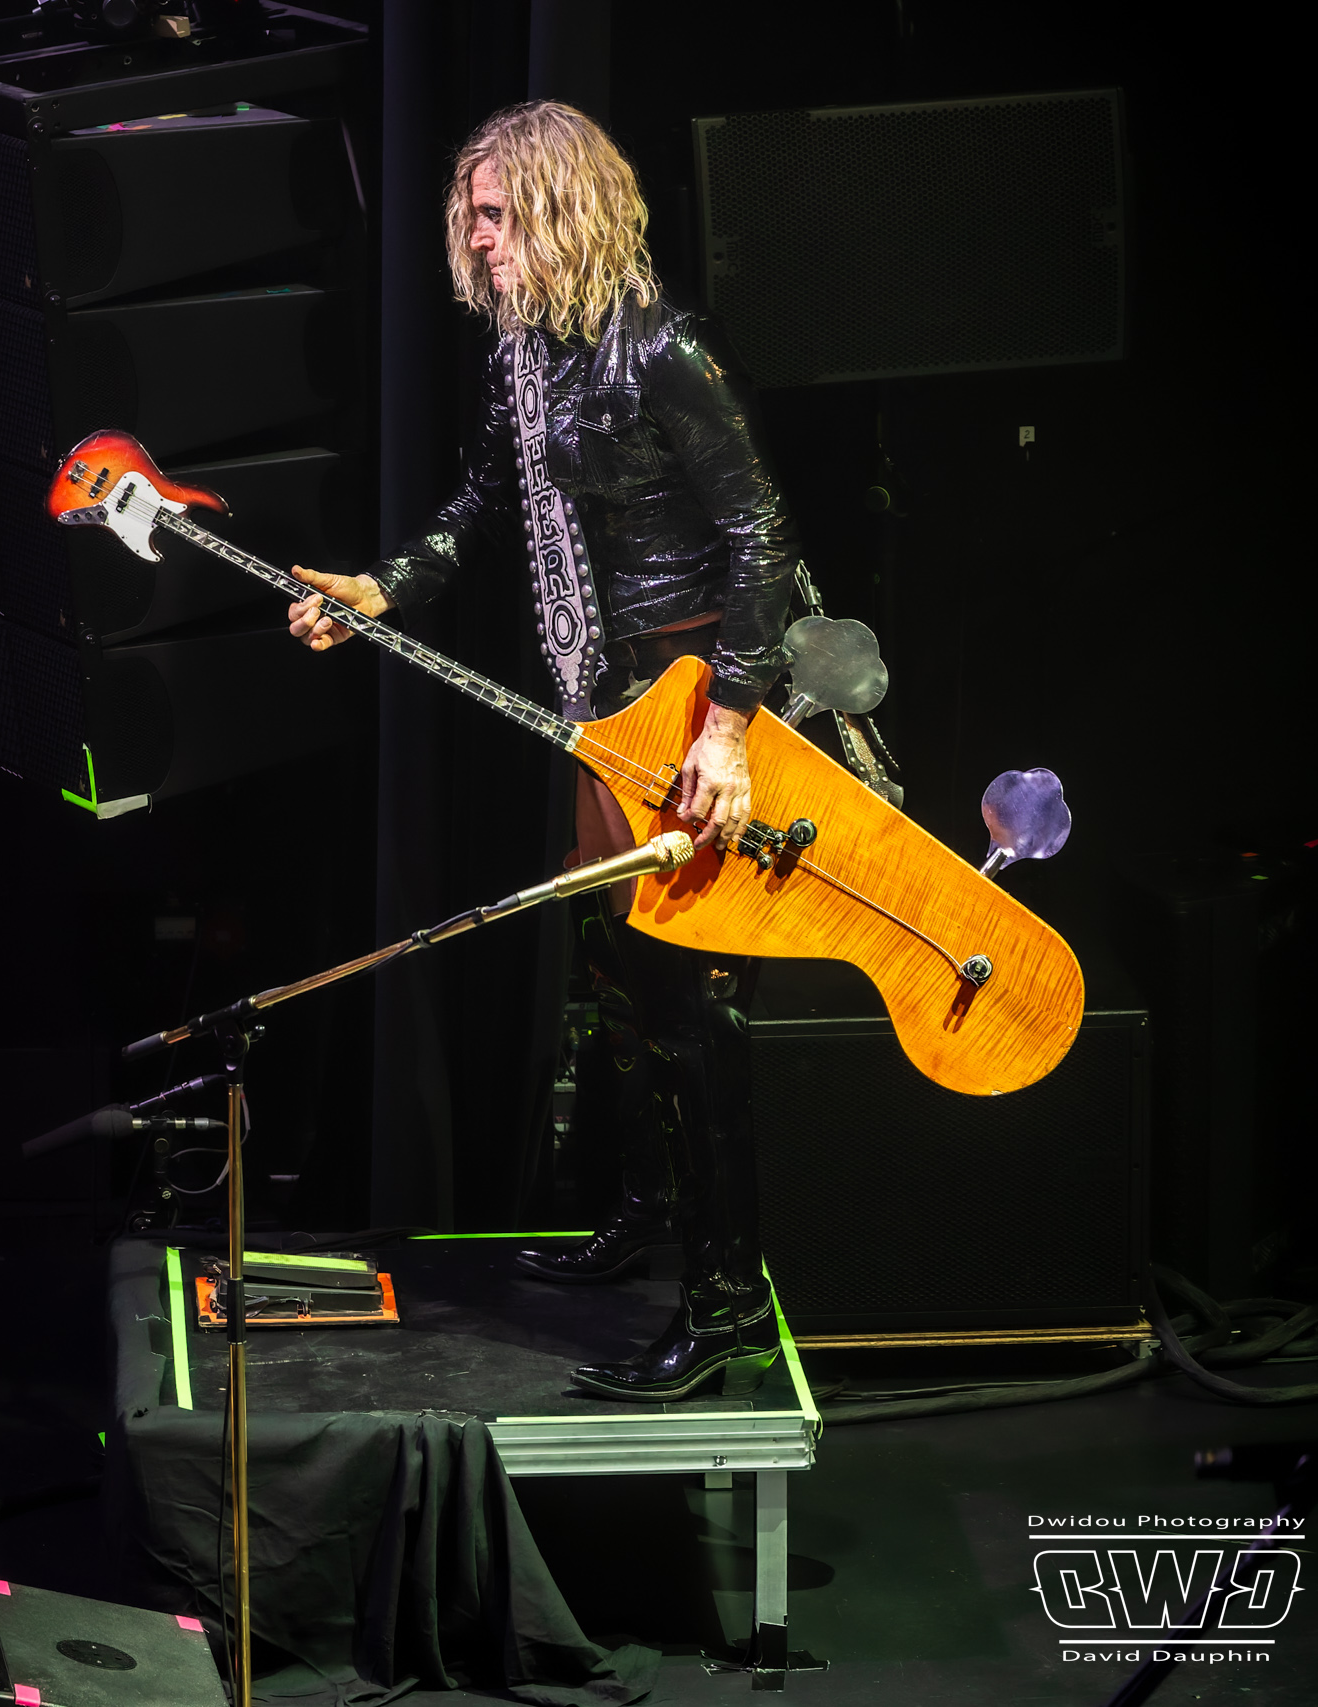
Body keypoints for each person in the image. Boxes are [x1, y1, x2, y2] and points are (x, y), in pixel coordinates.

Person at [287, 103, 796, 1401]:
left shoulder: (664, 347)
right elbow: (483, 503)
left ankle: (729, 1302)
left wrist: (729, 728)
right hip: (600, 696)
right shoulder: (524, 354)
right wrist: (385, 587)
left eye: (498, 213)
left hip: (685, 691)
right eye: (469, 215)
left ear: (565, 208)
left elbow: (762, 536)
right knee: (617, 978)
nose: (477, 237)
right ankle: (644, 1211)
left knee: (688, 1003)